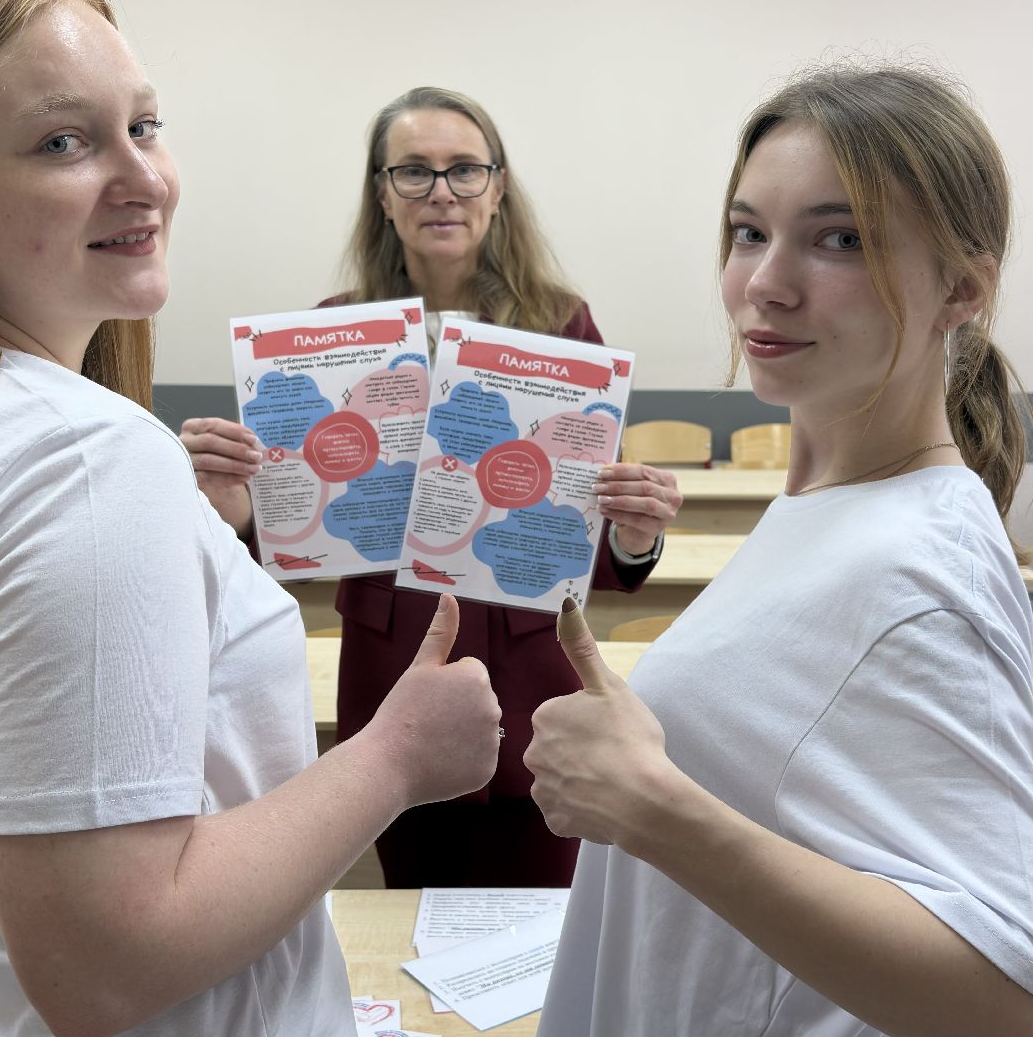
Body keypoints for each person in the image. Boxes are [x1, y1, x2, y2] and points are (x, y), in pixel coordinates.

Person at [0, 0, 500, 1034]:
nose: (146, 180)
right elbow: (106, 967)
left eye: (144, 127)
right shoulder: (79, 460)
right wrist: (394, 759)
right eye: (62, 142)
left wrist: (190, 544)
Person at [525, 64, 1033, 1036]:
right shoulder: (832, 505)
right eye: (749, 232)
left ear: (961, 287)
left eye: (841, 240)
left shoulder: (923, 568)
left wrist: (654, 809)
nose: (765, 284)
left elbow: (1025, 1008)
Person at [179, 87, 684, 888]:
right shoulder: (331, 332)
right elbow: (289, 539)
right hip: (394, 665)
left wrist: (634, 533)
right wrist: (239, 513)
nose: (441, 191)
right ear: (382, 193)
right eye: (414, 171)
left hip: (533, 674)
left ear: (498, 186)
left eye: (464, 170)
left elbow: (586, 544)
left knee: (540, 925)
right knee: (410, 909)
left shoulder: (562, 326)